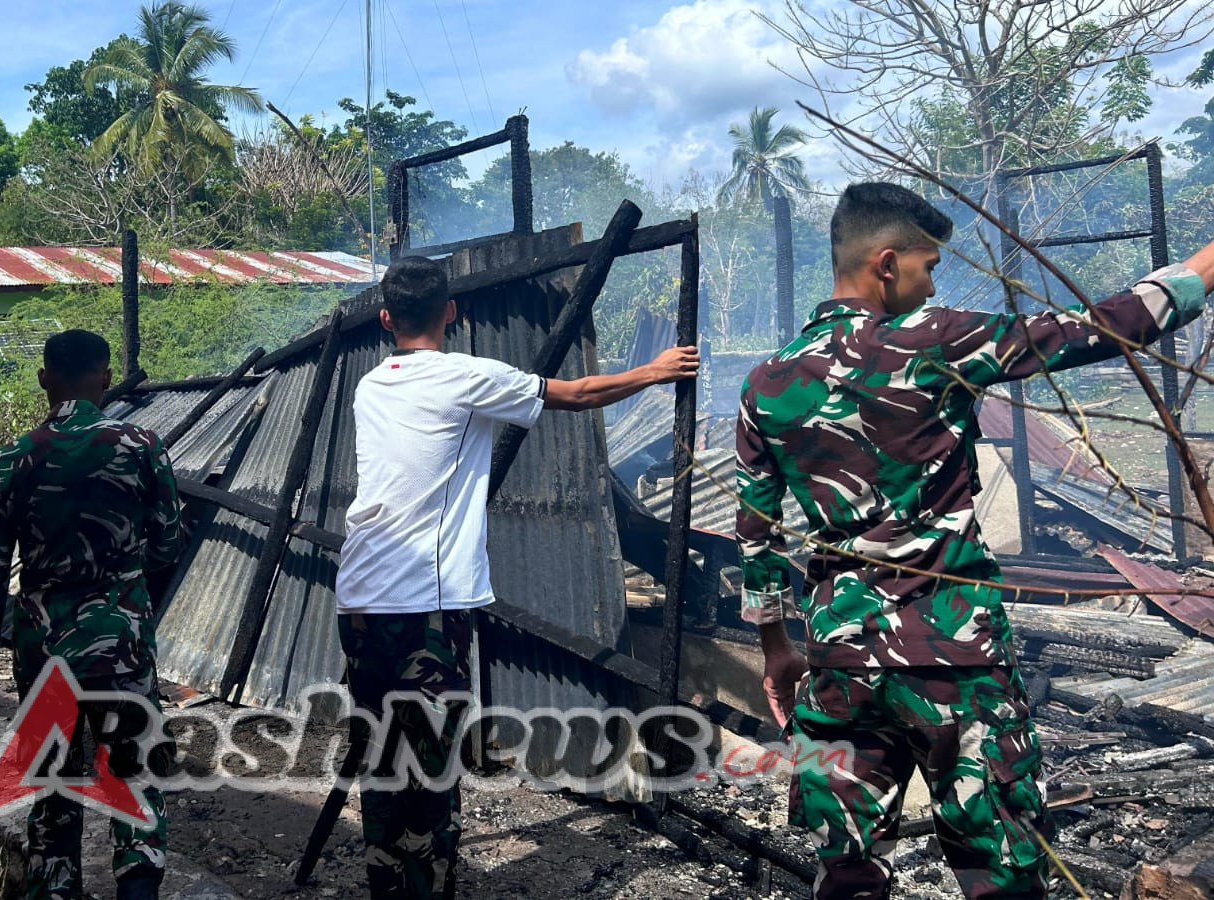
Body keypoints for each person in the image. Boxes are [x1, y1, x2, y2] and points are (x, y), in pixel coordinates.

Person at [736, 181, 1214, 898]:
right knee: (999, 857)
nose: (933, 285)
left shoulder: (766, 382)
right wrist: (1204, 268)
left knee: (846, 865)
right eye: (929, 267)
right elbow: (1101, 327)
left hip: (840, 665)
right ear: (888, 263)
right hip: (954, 661)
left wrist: (777, 649)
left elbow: (758, 535)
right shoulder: (936, 341)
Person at [334, 255, 700, 898]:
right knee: (433, 763)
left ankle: (387, 886)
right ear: (452, 312)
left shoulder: (372, 385)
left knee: (385, 755)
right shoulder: (464, 375)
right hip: (426, 604)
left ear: (386, 319)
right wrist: (654, 371)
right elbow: (578, 395)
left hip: (360, 598)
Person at [0, 329, 186, 900]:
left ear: (44, 379)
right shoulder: (141, 445)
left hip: (43, 650)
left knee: (54, 791)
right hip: (121, 644)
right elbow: (167, 545)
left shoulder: (12, 458)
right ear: (106, 377)